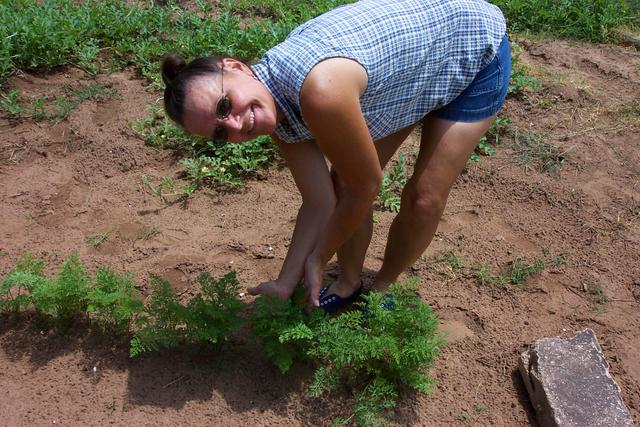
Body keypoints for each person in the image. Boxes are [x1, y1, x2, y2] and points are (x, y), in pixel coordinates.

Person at [160, 0, 510, 312]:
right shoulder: (274, 109)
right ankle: (349, 282)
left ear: (235, 67)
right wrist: (285, 282)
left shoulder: (319, 90)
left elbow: (367, 187)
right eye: (221, 133)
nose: (236, 124)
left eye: (225, 105)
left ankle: (384, 286)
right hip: (407, 77)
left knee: (424, 197)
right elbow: (318, 202)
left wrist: (318, 257)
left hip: (470, 46)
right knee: (342, 183)